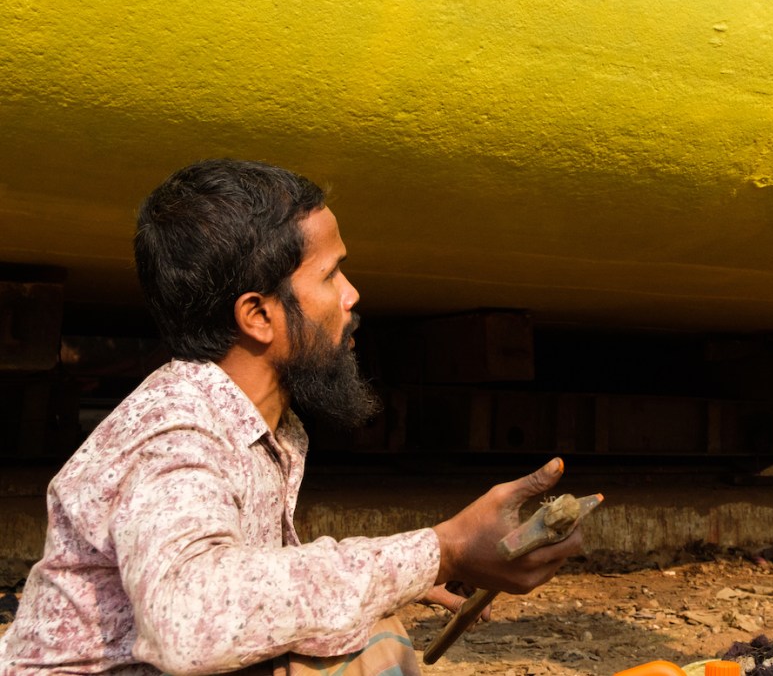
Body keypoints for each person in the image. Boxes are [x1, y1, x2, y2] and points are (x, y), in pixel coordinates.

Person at [0, 158, 585, 675]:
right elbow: (191, 624)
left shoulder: (262, 424)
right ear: (258, 315)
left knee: (362, 627)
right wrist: (443, 549)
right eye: (330, 275)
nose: (352, 295)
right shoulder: (177, 434)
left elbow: (246, 584)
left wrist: (397, 575)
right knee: (359, 654)